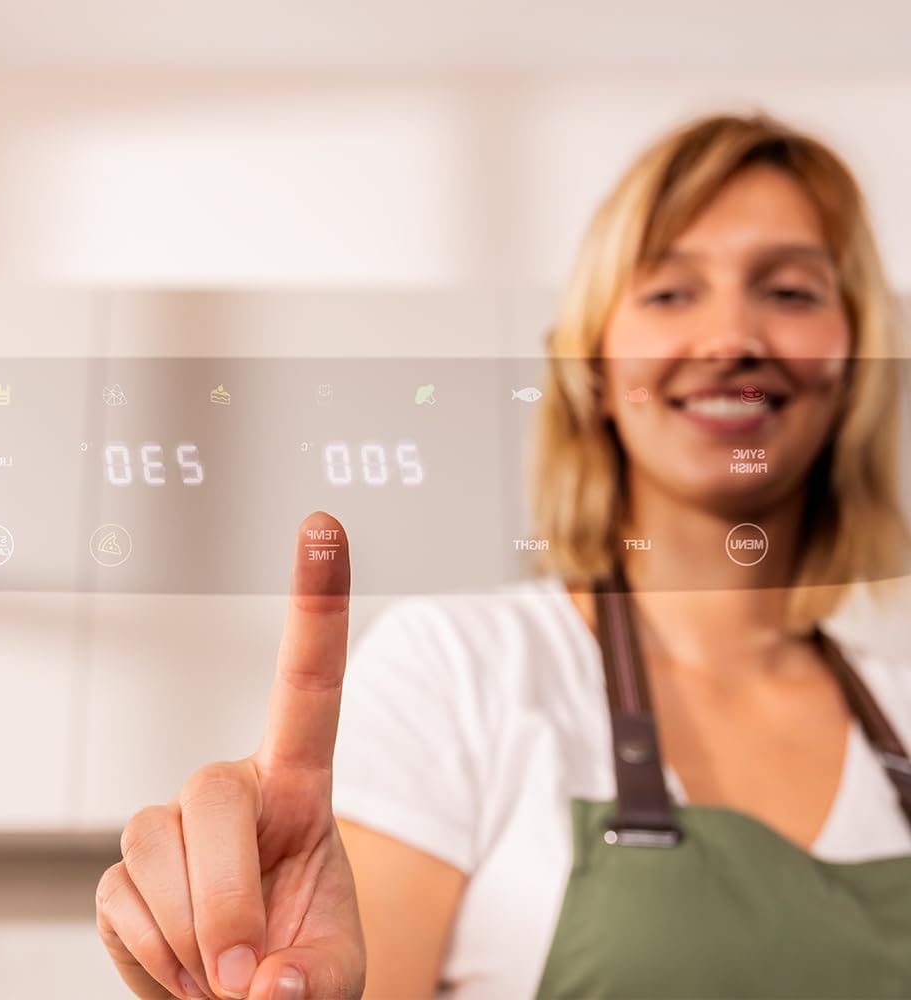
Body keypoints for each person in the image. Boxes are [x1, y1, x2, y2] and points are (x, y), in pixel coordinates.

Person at [95, 111, 911, 999]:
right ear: (595, 369)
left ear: (855, 363)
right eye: (671, 293)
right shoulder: (457, 673)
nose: (730, 339)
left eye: (790, 292)